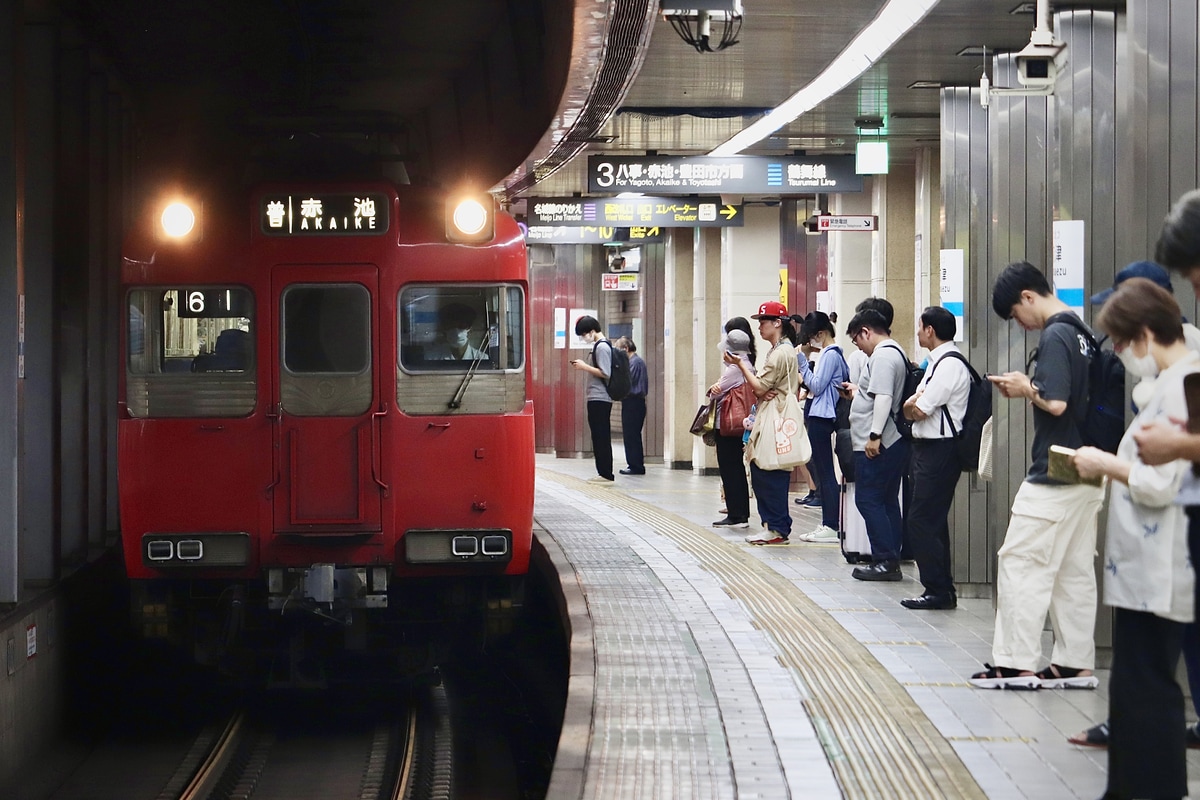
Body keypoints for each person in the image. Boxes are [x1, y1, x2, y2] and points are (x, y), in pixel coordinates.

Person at [1070, 278, 1199, 800]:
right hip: (1147, 565)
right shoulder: (1171, 382)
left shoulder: (1178, 387)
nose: (1121, 356)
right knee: (1134, 686)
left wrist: (1106, 464)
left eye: (1123, 344)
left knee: (1147, 689)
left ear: (1146, 333)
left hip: (1159, 563)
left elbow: (1156, 483)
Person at [969, 261, 1104, 689]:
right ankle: (1074, 662)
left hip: (1056, 468)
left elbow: (1057, 403)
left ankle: (1015, 663)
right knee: (1072, 569)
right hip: (1088, 466)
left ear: (1028, 297)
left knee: (1021, 562)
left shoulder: (1057, 333)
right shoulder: (1084, 334)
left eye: (1015, 314)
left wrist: (1024, 387)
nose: (1020, 324)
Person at [899, 306, 971, 609]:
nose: (917, 333)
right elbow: (912, 406)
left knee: (921, 520)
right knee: (932, 520)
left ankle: (937, 589)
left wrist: (910, 405)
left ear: (930, 330)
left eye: (919, 327)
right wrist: (910, 405)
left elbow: (919, 408)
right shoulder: (938, 362)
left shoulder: (949, 365)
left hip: (940, 450)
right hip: (927, 449)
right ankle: (941, 588)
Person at [843, 308, 910, 580]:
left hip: (879, 443)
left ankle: (885, 559)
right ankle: (890, 555)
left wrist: (874, 436)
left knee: (869, 499)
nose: (858, 347)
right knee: (886, 500)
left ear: (865, 332)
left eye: (856, 340)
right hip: (889, 441)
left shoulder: (882, 356)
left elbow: (883, 398)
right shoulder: (896, 353)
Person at [726, 300, 800, 545]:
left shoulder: (780, 353)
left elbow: (759, 387)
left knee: (768, 469)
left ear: (778, 323)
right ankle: (773, 525)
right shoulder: (783, 349)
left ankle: (776, 527)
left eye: (764, 321)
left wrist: (741, 366)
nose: (759, 327)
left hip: (774, 418)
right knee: (767, 468)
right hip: (775, 415)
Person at [795, 311, 849, 543]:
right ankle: (830, 523)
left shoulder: (830, 355)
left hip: (821, 417)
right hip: (824, 416)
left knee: (825, 473)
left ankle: (831, 524)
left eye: (811, 337)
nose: (810, 342)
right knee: (825, 472)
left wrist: (802, 364)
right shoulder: (834, 355)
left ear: (821, 333)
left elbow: (816, 386)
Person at [708, 328, 755, 528]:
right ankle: (740, 512)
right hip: (741, 423)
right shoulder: (748, 365)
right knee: (736, 467)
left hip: (728, 425)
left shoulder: (735, 368)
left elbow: (714, 393)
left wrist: (713, 389)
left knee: (730, 468)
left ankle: (736, 514)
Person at [571, 315, 615, 483]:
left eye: (583, 334)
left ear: (591, 331)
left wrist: (584, 367)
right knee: (598, 435)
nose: (584, 338)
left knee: (601, 435)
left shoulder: (602, 347)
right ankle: (603, 472)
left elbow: (606, 373)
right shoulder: (599, 346)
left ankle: (605, 473)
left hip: (600, 398)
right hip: (597, 397)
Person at [616, 337, 648, 475]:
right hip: (631, 402)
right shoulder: (633, 362)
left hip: (634, 402)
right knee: (630, 435)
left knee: (632, 435)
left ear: (625, 349)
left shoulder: (635, 363)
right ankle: (633, 464)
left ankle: (636, 465)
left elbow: (628, 382)